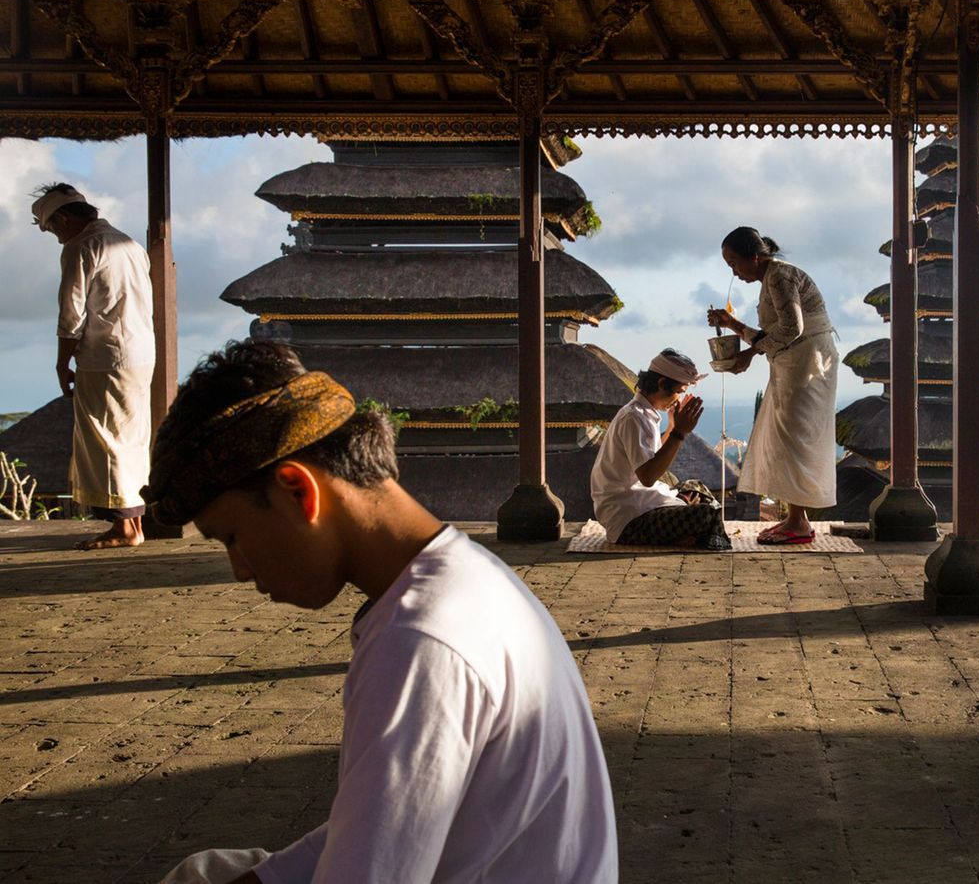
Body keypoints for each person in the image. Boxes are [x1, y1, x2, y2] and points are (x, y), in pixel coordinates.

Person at [144, 340, 617, 884]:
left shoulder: (419, 642)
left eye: (232, 537)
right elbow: (394, 817)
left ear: (298, 490)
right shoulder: (467, 577)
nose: (240, 570)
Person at [32, 183, 154, 550]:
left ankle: (125, 529)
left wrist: (61, 361)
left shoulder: (80, 246)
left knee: (106, 440)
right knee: (130, 438)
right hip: (140, 352)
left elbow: (71, 313)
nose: (56, 238)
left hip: (105, 356)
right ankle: (134, 523)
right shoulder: (128, 244)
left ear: (65, 219)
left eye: (53, 229)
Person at [706, 227, 837, 545]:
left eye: (734, 263)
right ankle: (795, 518)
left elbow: (792, 328)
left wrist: (749, 351)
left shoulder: (779, 276)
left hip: (807, 363)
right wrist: (732, 326)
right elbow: (776, 334)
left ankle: (799, 523)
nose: (734, 273)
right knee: (786, 435)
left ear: (754, 257)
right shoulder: (771, 278)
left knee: (795, 436)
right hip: (793, 363)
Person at [590, 349, 731, 550]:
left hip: (642, 505)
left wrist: (673, 426)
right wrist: (679, 433)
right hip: (629, 519)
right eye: (679, 392)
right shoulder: (634, 417)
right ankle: (696, 537)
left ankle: (688, 535)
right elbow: (648, 476)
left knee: (695, 487)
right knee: (707, 513)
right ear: (662, 383)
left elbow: (652, 457)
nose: (678, 399)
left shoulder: (645, 414)